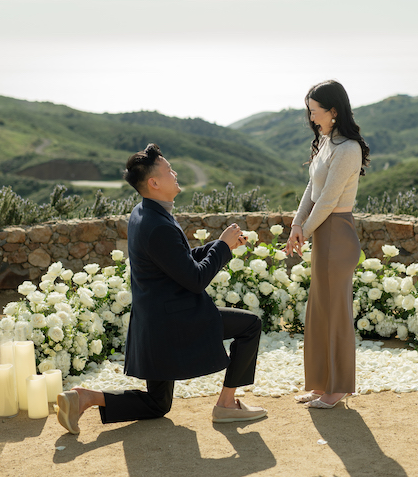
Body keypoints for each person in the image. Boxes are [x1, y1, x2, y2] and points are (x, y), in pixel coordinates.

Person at [56, 143, 268, 434]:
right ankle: (227, 405)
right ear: (154, 182)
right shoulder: (158, 225)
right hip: (175, 322)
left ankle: (86, 397)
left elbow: (176, 262)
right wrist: (222, 246)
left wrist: (217, 245)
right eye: (169, 170)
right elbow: (195, 280)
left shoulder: (144, 213)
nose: (175, 173)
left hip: (154, 322)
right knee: (250, 325)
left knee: (157, 404)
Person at [285, 80, 370, 409]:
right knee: (319, 311)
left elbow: (329, 200)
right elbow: (311, 188)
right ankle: (321, 385)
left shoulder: (349, 148)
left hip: (336, 231)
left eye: (315, 111)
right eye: (309, 111)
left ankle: (337, 390)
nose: (311, 118)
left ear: (333, 111)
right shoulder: (325, 141)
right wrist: (296, 224)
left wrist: (303, 230)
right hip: (321, 232)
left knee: (335, 313)